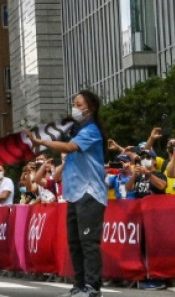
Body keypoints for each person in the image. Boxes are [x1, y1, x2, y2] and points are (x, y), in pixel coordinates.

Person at [27, 90, 107, 297]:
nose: (75, 107)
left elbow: (70, 148)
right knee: (75, 242)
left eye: (78, 104)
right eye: (74, 103)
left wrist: (43, 142)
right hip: (74, 194)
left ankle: (92, 287)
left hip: (90, 194)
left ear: (90, 107)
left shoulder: (91, 131)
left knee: (88, 242)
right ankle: (79, 286)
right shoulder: (77, 131)